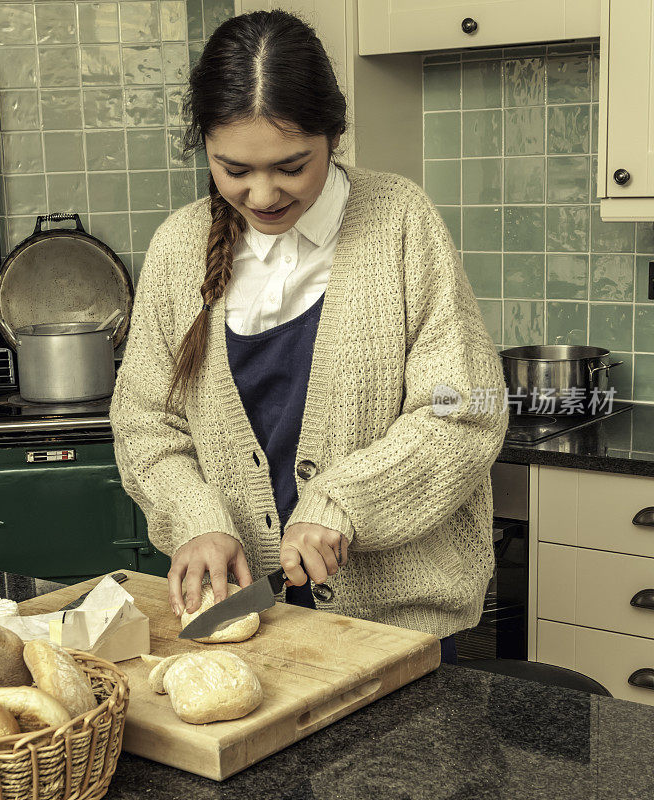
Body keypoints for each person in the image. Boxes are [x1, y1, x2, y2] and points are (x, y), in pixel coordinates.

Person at [110, 10, 508, 665]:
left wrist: (345, 501)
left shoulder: (401, 223)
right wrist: (196, 519)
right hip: (257, 635)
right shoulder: (180, 247)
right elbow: (144, 421)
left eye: (291, 167)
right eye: (232, 168)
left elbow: (464, 409)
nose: (261, 193)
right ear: (203, 144)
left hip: (403, 635)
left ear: (334, 135)